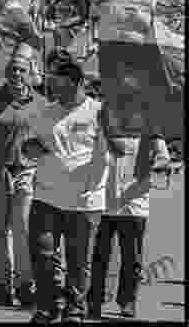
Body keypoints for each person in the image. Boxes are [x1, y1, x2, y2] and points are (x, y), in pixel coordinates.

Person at [22, 49, 110, 323]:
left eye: (57, 83)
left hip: (84, 201)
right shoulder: (44, 112)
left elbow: (116, 148)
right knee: (42, 254)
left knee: (78, 262)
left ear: (74, 82)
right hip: (46, 196)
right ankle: (47, 306)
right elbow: (27, 148)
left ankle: (75, 309)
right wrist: (31, 147)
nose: (52, 88)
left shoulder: (99, 112)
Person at [0, 43, 48, 306]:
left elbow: (48, 140)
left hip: (26, 173)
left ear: (30, 73)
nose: (16, 74)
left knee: (23, 229)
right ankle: (0, 286)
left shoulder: (41, 104)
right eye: (13, 70)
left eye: (21, 70)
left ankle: (24, 284)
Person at [87, 104, 157, 319]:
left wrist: (157, 164)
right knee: (99, 258)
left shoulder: (149, 131)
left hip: (133, 205)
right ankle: (94, 301)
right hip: (103, 203)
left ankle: (127, 301)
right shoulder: (100, 128)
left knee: (131, 258)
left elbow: (163, 157)